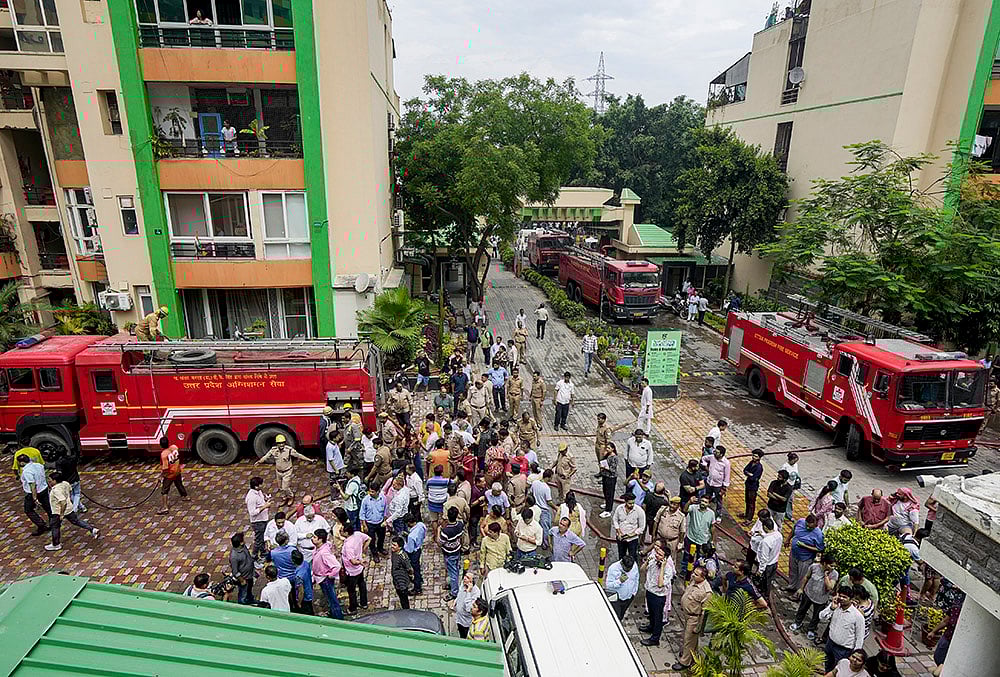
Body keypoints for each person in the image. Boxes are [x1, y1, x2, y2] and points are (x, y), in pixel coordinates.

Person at [46, 469, 98, 551]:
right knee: (76, 521)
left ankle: (56, 544)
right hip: (69, 508)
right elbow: (70, 491)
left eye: (50, 480)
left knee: (55, 526)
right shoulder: (65, 483)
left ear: (55, 481)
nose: (49, 481)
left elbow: (62, 501)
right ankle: (92, 529)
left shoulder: (56, 490)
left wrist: (61, 514)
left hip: (58, 511)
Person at [673, 566, 713, 671]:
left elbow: (705, 612)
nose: (693, 575)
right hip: (686, 614)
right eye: (694, 573)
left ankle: (685, 662)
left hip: (694, 618)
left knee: (688, 639)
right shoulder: (694, 581)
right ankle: (691, 655)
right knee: (690, 640)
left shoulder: (706, 592)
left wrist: (699, 627)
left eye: (696, 574)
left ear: (703, 577)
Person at [255, 434, 314, 507]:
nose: (281, 445)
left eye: (283, 443)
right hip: (278, 472)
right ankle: (284, 497)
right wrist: (259, 461)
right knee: (280, 487)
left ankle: (291, 496)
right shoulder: (274, 450)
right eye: (279, 443)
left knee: (285, 487)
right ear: (277, 444)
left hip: (287, 471)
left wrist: (309, 460)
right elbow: (266, 456)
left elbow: (299, 455)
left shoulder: (289, 450)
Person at [791, 552, 839, 639]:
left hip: (821, 598)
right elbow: (806, 577)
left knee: (817, 616)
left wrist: (826, 576)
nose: (832, 568)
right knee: (802, 609)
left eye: (834, 566)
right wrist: (801, 588)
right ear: (824, 563)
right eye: (831, 565)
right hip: (808, 593)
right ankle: (797, 622)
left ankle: (811, 629)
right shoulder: (814, 567)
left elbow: (829, 587)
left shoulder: (834, 574)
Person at [638, 539, 674, 647]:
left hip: (659, 595)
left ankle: (655, 638)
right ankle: (651, 627)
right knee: (652, 614)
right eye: (657, 553)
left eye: (660, 554)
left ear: (665, 558)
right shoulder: (653, 560)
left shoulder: (668, 569)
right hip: (650, 591)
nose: (657, 555)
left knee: (658, 617)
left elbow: (660, 584)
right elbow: (642, 570)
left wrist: (662, 567)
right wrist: (647, 562)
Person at [819, 590, 866, 672]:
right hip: (830, 643)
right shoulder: (835, 606)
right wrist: (831, 608)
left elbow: (860, 637)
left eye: (845, 597)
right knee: (827, 664)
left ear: (851, 599)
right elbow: (821, 617)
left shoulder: (857, 616)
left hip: (843, 650)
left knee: (840, 669)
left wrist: (855, 654)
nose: (841, 598)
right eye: (840, 596)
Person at [310, 528, 344, 619]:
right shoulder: (322, 546)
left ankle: (338, 618)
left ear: (320, 540)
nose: (312, 538)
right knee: (329, 598)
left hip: (325, 579)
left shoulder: (324, 553)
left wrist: (330, 575)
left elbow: (337, 566)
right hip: (320, 577)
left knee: (332, 600)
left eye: (314, 537)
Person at [786, 514, 824, 592]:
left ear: (816, 525)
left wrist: (805, 546)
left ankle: (798, 592)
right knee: (792, 571)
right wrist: (788, 539)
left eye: (810, 527)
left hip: (805, 559)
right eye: (806, 525)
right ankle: (791, 586)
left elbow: (819, 549)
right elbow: (794, 529)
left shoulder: (818, 534)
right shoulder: (800, 521)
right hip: (794, 553)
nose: (808, 528)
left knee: (802, 576)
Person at [18, 453, 51, 536]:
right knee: (48, 508)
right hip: (44, 489)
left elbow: (32, 485)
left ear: (22, 463)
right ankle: (53, 523)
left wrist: (35, 498)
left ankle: (41, 525)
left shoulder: (27, 472)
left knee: (28, 510)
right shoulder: (38, 465)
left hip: (34, 493)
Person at [683, 495, 715, 579]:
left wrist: (712, 540)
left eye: (705, 502)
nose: (703, 503)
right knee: (687, 555)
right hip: (691, 537)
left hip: (702, 540)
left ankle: (697, 573)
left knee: (700, 558)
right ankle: (684, 571)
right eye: (702, 501)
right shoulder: (693, 508)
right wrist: (689, 501)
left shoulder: (711, 514)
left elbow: (712, 527)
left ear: (708, 504)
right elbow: (685, 510)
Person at [340, 521, 370, 613]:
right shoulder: (357, 534)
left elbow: (353, 561)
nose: (340, 531)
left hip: (352, 571)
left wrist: (360, 561)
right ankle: (364, 603)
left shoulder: (348, 546)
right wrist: (363, 550)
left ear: (346, 532)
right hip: (359, 569)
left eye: (342, 530)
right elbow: (369, 539)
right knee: (361, 584)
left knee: (351, 590)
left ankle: (352, 608)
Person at [438, 506, 465, 599]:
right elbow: (461, 536)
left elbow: (440, 543)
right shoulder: (460, 525)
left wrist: (438, 531)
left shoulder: (446, 531)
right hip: (457, 549)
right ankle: (453, 584)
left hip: (449, 553)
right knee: (456, 568)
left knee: (453, 572)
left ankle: (454, 592)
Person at [156, 436, 187, 515]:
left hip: (170, 474)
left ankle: (165, 507)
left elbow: (165, 468)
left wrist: (161, 476)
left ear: (161, 445)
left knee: (164, 490)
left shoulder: (163, 454)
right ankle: (185, 496)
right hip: (177, 470)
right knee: (179, 484)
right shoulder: (174, 447)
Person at [605, 554, 639, 620]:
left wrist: (634, 592)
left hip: (628, 597)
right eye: (627, 569)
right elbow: (608, 585)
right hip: (617, 599)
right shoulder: (613, 568)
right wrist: (619, 581)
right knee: (616, 617)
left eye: (630, 569)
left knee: (621, 615)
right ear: (622, 564)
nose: (629, 570)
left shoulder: (634, 565)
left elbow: (636, 579)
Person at [612, 493, 645, 561]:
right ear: (625, 502)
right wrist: (619, 532)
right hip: (621, 537)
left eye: (633, 503)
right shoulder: (619, 508)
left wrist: (631, 535)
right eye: (630, 503)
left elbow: (642, 527)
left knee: (632, 556)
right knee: (621, 555)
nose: (632, 505)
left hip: (632, 539)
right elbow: (615, 520)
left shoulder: (639, 511)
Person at [755, 515, 782, 595]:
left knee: (764, 583)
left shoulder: (765, 542)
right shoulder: (779, 535)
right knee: (769, 581)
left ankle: (764, 595)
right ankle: (766, 592)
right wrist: (762, 535)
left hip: (767, 565)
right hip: (774, 562)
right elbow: (772, 540)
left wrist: (760, 571)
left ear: (765, 527)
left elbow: (764, 558)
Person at [531, 469, 556, 547]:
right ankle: (545, 543)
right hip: (544, 510)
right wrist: (556, 508)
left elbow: (531, 493)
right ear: (548, 477)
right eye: (552, 477)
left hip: (535, 508)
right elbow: (549, 502)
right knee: (545, 528)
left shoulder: (534, 483)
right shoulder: (546, 488)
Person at [704, 446, 731, 517]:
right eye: (715, 451)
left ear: (721, 454)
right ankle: (705, 510)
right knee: (707, 496)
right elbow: (704, 458)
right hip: (709, 482)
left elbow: (727, 476)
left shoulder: (726, 463)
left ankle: (718, 515)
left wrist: (724, 487)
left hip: (718, 485)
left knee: (719, 501)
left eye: (717, 452)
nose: (714, 453)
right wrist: (705, 466)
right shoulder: (712, 457)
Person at [229, 532, 255, 604]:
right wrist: (242, 580)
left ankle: (250, 599)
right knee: (243, 593)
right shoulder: (234, 556)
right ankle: (242, 604)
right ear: (241, 543)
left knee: (249, 589)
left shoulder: (243, 547)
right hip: (244, 578)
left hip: (249, 575)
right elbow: (235, 572)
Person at [453, 572, 482, 638]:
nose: (464, 578)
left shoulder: (476, 593)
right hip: (458, 617)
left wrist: (468, 592)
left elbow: (469, 609)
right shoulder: (463, 584)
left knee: (464, 635)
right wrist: (456, 601)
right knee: (460, 632)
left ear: (472, 582)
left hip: (465, 622)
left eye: (467, 578)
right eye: (465, 576)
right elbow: (460, 594)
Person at [290, 549, 314, 615]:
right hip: (309, 590)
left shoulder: (298, 576)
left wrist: (299, 603)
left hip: (305, 598)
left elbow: (301, 591)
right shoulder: (305, 563)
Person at [743, 448, 764, 522]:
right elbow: (745, 470)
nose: (753, 457)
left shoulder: (759, 467)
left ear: (759, 457)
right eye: (753, 455)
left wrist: (749, 474)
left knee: (751, 502)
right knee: (747, 500)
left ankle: (749, 519)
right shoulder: (751, 462)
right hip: (748, 484)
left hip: (753, 487)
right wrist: (749, 474)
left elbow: (753, 477)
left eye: (755, 456)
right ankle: (746, 514)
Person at [599, 441, 619, 518]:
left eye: (609, 448)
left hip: (611, 477)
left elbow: (613, 469)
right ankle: (607, 503)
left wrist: (605, 467)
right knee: (605, 491)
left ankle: (608, 510)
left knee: (610, 493)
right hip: (605, 476)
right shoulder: (607, 455)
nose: (607, 449)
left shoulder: (614, 457)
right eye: (606, 447)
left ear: (613, 449)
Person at [781, 452, 802, 520]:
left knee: (790, 500)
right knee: (784, 500)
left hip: (792, 486)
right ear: (791, 460)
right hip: (786, 486)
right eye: (794, 460)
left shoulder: (795, 465)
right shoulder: (785, 466)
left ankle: (789, 514)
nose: (795, 462)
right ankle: (782, 513)